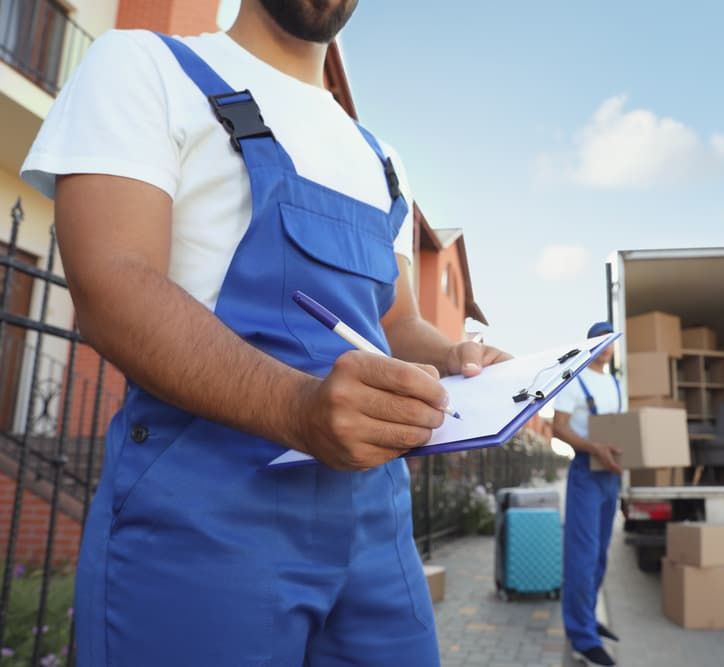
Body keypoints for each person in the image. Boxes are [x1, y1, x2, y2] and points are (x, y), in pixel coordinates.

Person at [20, 1, 508, 664]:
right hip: (201, 537)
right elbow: (112, 282)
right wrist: (299, 409)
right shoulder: (146, 67)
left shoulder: (381, 160)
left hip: (378, 531)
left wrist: (453, 356)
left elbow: (395, 323)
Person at [552, 321, 623, 666]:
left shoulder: (615, 382)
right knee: (582, 555)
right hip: (585, 472)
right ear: (590, 343)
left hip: (611, 476)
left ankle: (589, 618)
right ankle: (581, 638)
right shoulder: (574, 378)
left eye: (610, 341)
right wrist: (594, 447)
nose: (605, 346)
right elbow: (558, 427)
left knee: (600, 555)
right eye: (600, 340)